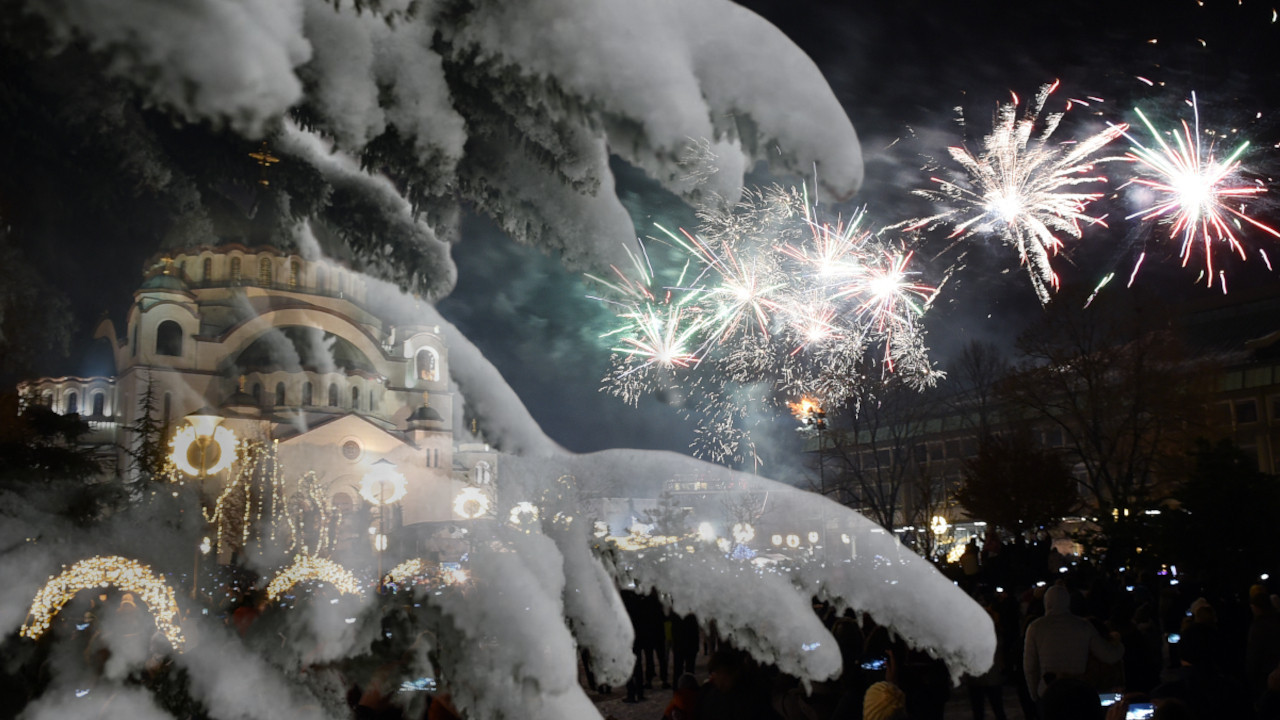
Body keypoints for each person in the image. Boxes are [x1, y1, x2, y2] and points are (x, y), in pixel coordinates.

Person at [1023, 585, 1124, 704]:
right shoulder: (1083, 626)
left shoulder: (1035, 628)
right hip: (1077, 690)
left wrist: (1034, 693)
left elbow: (1030, 666)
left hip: (1049, 691)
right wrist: (1118, 644)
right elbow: (1108, 655)